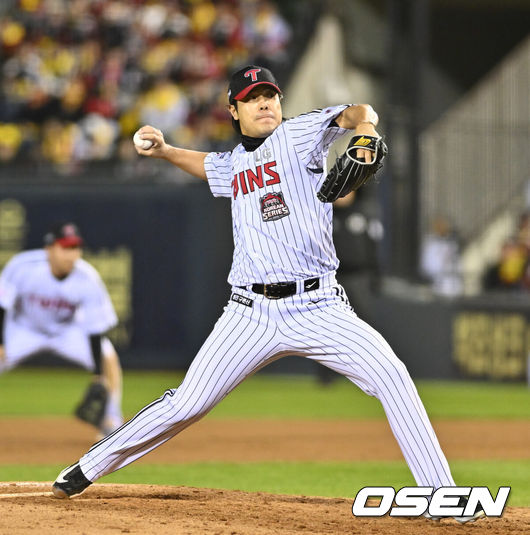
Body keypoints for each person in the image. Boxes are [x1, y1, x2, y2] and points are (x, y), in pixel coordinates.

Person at [51, 66, 483, 523]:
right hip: (250, 313)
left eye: (270, 95)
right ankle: (87, 467)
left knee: (392, 376)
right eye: (252, 98)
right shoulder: (235, 162)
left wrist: (367, 130)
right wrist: (166, 151)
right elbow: (209, 166)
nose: (264, 103)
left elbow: (359, 111)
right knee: (187, 404)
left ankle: (444, 498)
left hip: (318, 306)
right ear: (233, 110)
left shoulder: (299, 135)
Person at [0, 222, 123, 437]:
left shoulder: (87, 277)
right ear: (49, 249)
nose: (71, 254)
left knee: (108, 356)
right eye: (65, 247)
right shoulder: (23, 266)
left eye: (75, 248)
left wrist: (97, 374)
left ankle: (111, 421)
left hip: (66, 331)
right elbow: (2, 305)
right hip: (23, 329)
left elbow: (95, 329)